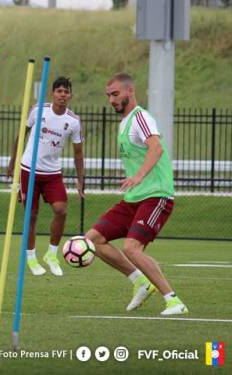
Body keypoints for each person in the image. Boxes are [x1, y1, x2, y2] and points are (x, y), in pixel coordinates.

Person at [85, 73, 187, 315]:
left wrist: (139, 176)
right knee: (93, 240)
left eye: (115, 94)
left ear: (130, 91)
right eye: (108, 95)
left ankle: (174, 301)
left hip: (156, 195)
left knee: (132, 248)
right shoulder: (124, 123)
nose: (111, 99)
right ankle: (140, 282)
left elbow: (157, 147)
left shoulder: (141, 117)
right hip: (134, 198)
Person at [7, 77, 84, 276]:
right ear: (53, 93)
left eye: (66, 92)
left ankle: (51, 254)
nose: (62, 95)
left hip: (52, 173)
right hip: (29, 170)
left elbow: (78, 153)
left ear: (70, 96)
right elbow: (21, 135)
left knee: (61, 209)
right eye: (59, 91)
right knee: (31, 216)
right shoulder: (38, 110)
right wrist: (12, 162)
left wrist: (80, 179)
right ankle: (31, 258)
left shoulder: (73, 121)